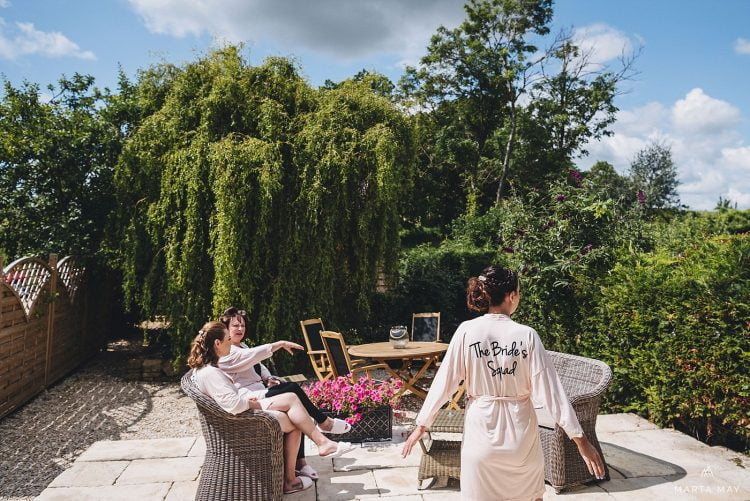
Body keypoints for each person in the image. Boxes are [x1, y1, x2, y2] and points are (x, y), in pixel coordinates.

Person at [401, 265, 605, 501]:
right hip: (520, 439)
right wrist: (580, 440)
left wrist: (422, 425)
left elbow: (444, 383)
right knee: (531, 496)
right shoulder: (527, 335)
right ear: (511, 296)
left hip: (481, 435)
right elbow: (552, 393)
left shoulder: (466, 331)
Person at [188, 321, 354, 495]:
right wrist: (250, 402)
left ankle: (318, 447)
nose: (231, 343)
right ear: (217, 343)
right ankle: (298, 471)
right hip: (241, 420)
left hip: (239, 412)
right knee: (294, 413)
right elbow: (233, 405)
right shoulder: (211, 373)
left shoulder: (206, 368)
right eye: (228, 339)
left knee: (292, 399)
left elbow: (231, 397)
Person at [217, 306, 351, 481]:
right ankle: (323, 424)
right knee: (293, 390)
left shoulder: (241, 346)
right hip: (250, 397)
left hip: (261, 390)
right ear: (225, 328)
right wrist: (278, 344)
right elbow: (249, 357)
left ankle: (302, 462)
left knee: (295, 403)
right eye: (235, 326)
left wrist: (269, 378)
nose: (240, 329)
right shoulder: (228, 352)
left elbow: (258, 365)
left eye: (242, 325)